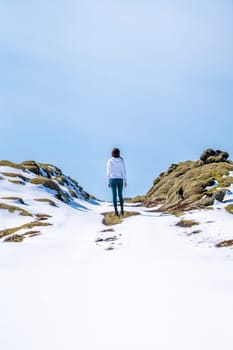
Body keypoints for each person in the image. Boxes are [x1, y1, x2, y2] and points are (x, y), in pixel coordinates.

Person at [107, 148, 127, 216]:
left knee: (114, 195)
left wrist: (108, 181)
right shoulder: (121, 160)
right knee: (120, 195)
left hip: (112, 179)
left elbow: (108, 172)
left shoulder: (110, 161)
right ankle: (122, 210)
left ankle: (116, 211)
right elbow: (124, 171)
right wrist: (125, 181)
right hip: (120, 179)